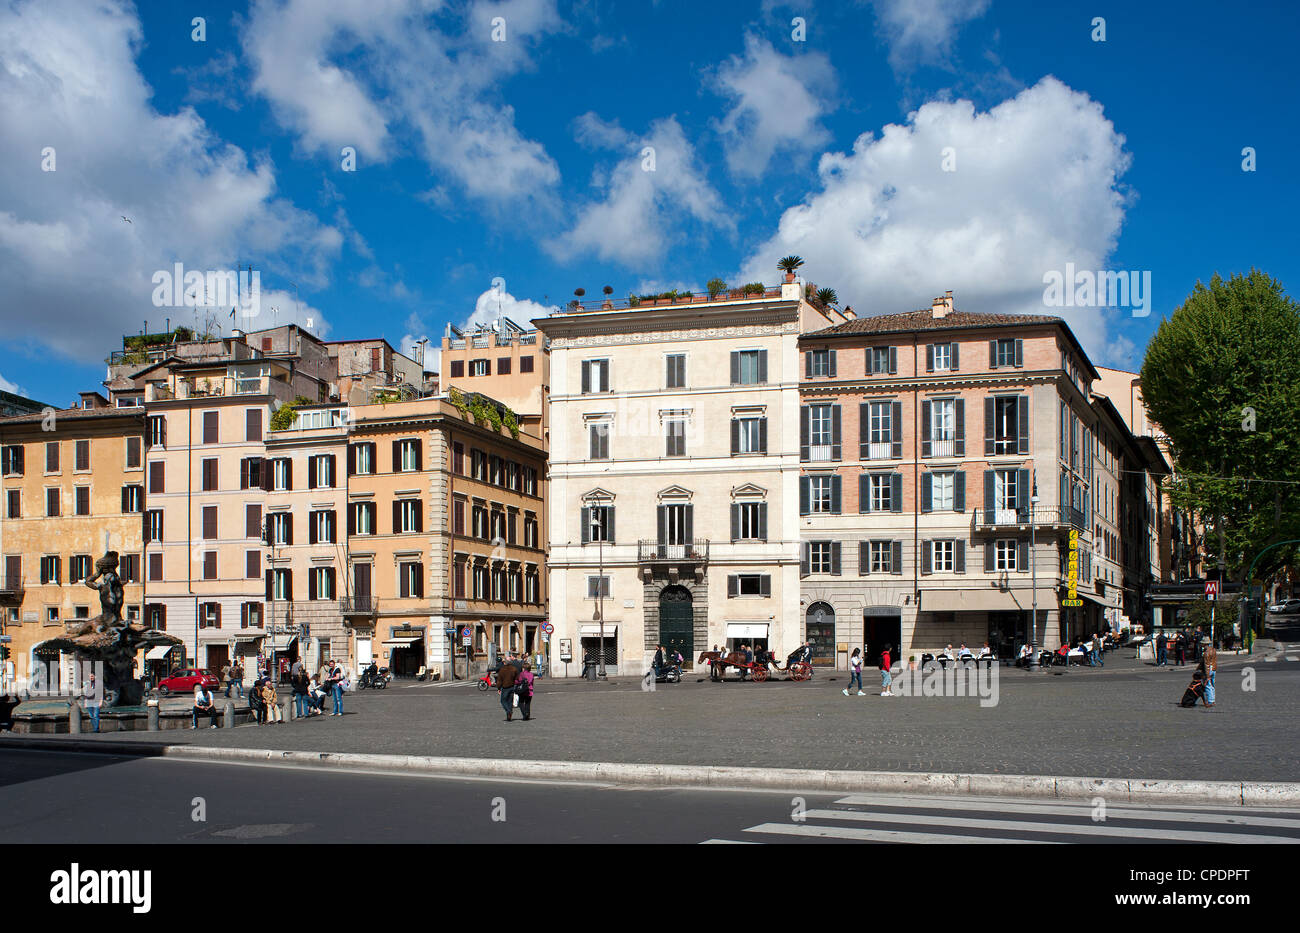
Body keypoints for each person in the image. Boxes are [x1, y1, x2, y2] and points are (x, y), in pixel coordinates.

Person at [1204, 643, 1217, 707]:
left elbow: (1207, 664)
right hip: (1214, 668)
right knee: (1212, 684)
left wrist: (1207, 675)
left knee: (1208, 685)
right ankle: (1213, 700)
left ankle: (1210, 701)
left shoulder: (1206, 652)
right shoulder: (1213, 650)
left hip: (1209, 669)